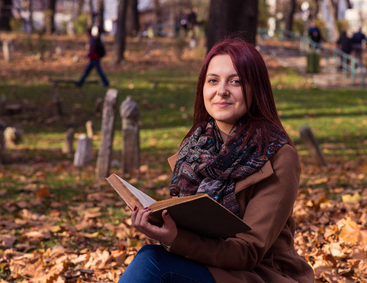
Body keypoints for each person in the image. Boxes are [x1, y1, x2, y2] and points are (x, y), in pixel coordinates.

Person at [118, 38, 314, 283]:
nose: (222, 91)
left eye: (236, 81)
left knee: (153, 263)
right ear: (203, 88)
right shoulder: (194, 147)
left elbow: (248, 251)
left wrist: (175, 238)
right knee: (151, 256)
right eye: (213, 81)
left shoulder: (278, 155)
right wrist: (159, 223)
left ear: (256, 88)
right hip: (205, 266)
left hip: (258, 276)